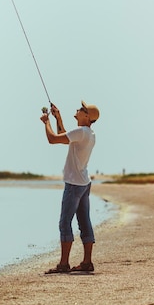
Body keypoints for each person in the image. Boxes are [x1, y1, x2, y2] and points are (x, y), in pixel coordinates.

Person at [40, 100, 100, 274]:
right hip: (84, 183)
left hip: (74, 184)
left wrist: (46, 122)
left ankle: (64, 264)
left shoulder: (81, 132)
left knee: (65, 222)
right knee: (84, 222)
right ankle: (87, 262)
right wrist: (58, 117)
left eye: (81, 109)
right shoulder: (89, 133)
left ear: (87, 117)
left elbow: (53, 139)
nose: (77, 110)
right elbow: (64, 136)